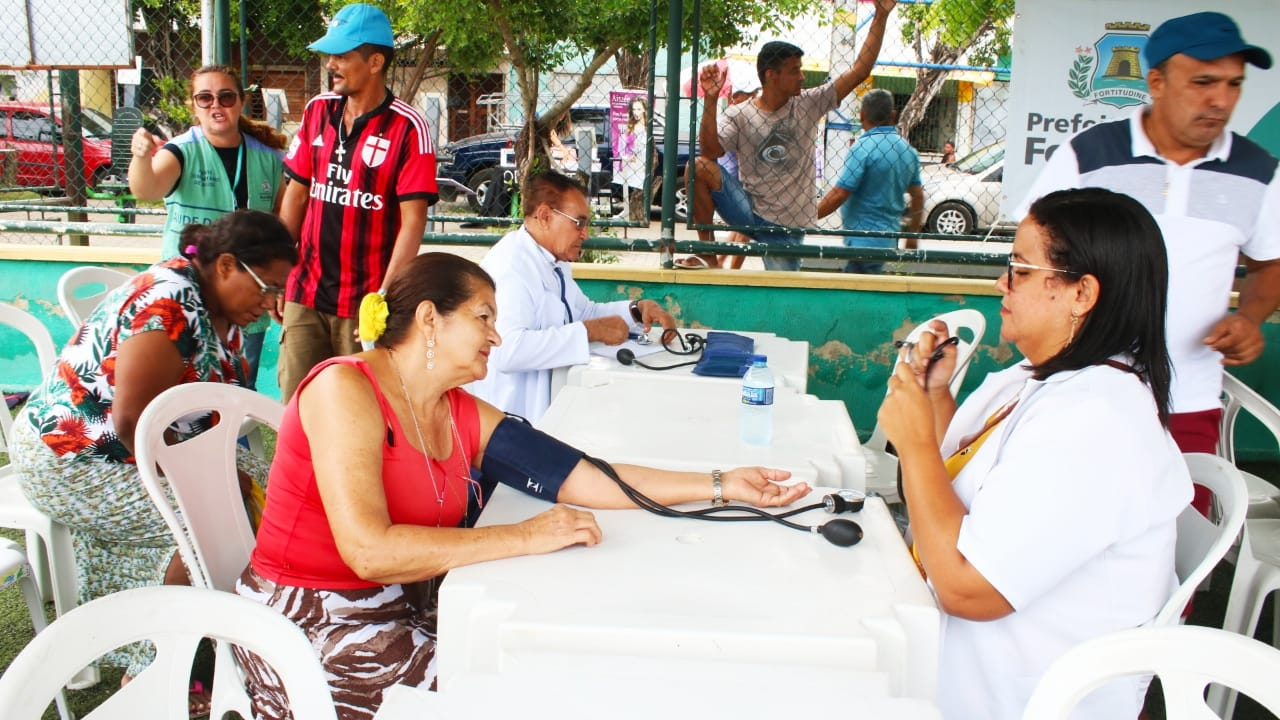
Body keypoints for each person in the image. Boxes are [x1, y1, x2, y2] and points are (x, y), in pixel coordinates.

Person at [235, 251, 807, 720]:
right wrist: (523, 536)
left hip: (413, 602)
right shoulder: (346, 390)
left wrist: (720, 483)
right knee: (511, 692)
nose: (498, 337)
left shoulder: (458, 411)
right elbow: (369, 551)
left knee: (560, 649)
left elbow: (584, 474)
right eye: (484, 318)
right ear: (431, 319)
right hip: (311, 619)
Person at [877, 188, 1192, 720]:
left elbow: (967, 588)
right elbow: (978, 480)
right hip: (968, 672)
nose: (1003, 283)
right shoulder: (1041, 380)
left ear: (1080, 294)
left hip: (1018, 700)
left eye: (1019, 269)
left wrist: (913, 444)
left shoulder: (1098, 421)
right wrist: (933, 399)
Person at [10, 210, 296, 698]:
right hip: (74, 460)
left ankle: (187, 610)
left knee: (261, 483)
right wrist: (206, 485)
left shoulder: (214, 305)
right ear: (226, 265)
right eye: (267, 287)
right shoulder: (168, 302)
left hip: (127, 452)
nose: (273, 303)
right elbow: (132, 422)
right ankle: (153, 669)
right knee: (216, 519)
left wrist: (220, 473)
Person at [1017, 12, 1280, 468]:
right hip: (1081, 388)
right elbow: (1034, 259)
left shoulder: (1259, 172)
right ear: (1156, 82)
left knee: (1180, 532)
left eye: (1233, 84)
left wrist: (1249, 318)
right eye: (1203, 82)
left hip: (1187, 400)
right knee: (1073, 524)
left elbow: (1270, 264)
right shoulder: (1088, 155)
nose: (1220, 99)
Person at [277, 2, 437, 401]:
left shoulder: (409, 127)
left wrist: (384, 299)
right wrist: (277, 271)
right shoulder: (317, 111)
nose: (331, 63)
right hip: (304, 292)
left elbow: (413, 222)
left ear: (375, 61)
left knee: (361, 408)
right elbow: (296, 194)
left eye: (342, 56)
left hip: (363, 304)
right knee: (296, 406)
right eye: (330, 55)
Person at [676, 0, 895, 270]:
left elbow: (860, 70)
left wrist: (881, 16)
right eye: (795, 71)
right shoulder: (741, 114)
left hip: (787, 226)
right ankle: (707, 253)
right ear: (771, 75)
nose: (802, 77)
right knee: (697, 167)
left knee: (785, 298)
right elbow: (710, 153)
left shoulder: (809, 103)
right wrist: (710, 102)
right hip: (749, 211)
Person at [128, 64, 289, 391]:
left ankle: (233, 441)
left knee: (240, 382)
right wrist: (141, 159)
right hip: (190, 292)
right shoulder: (181, 151)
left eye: (226, 96)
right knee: (182, 384)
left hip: (248, 293)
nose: (216, 105)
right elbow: (146, 190)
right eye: (205, 98)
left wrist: (276, 287)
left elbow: (282, 219)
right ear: (194, 106)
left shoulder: (268, 156)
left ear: (241, 102)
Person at [471, 172, 677, 422]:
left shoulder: (552, 260)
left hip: (545, 411)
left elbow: (582, 312)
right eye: (578, 223)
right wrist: (588, 331)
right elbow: (506, 350)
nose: (585, 234)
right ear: (545, 216)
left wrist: (636, 309)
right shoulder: (511, 267)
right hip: (510, 421)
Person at [816, 88, 923, 274]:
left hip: (862, 239)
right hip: (888, 238)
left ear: (862, 115)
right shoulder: (908, 151)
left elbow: (840, 193)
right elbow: (918, 195)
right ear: (893, 115)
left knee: (854, 293)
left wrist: (807, 216)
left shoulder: (862, 148)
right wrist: (912, 235)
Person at [715, 80, 761, 270]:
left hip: (733, 175)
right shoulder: (738, 119)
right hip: (739, 178)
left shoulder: (733, 117)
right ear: (738, 97)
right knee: (747, 228)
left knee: (740, 228)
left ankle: (720, 263)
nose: (752, 101)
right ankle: (733, 269)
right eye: (749, 97)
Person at [618, 96, 649, 222]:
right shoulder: (630, 127)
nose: (636, 112)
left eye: (639, 109)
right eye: (634, 109)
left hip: (645, 161)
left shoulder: (648, 127)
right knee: (633, 188)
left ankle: (639, 213)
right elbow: (622, 146)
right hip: (633, 163)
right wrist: (627, 156)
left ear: (644, 110)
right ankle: (629, 212)